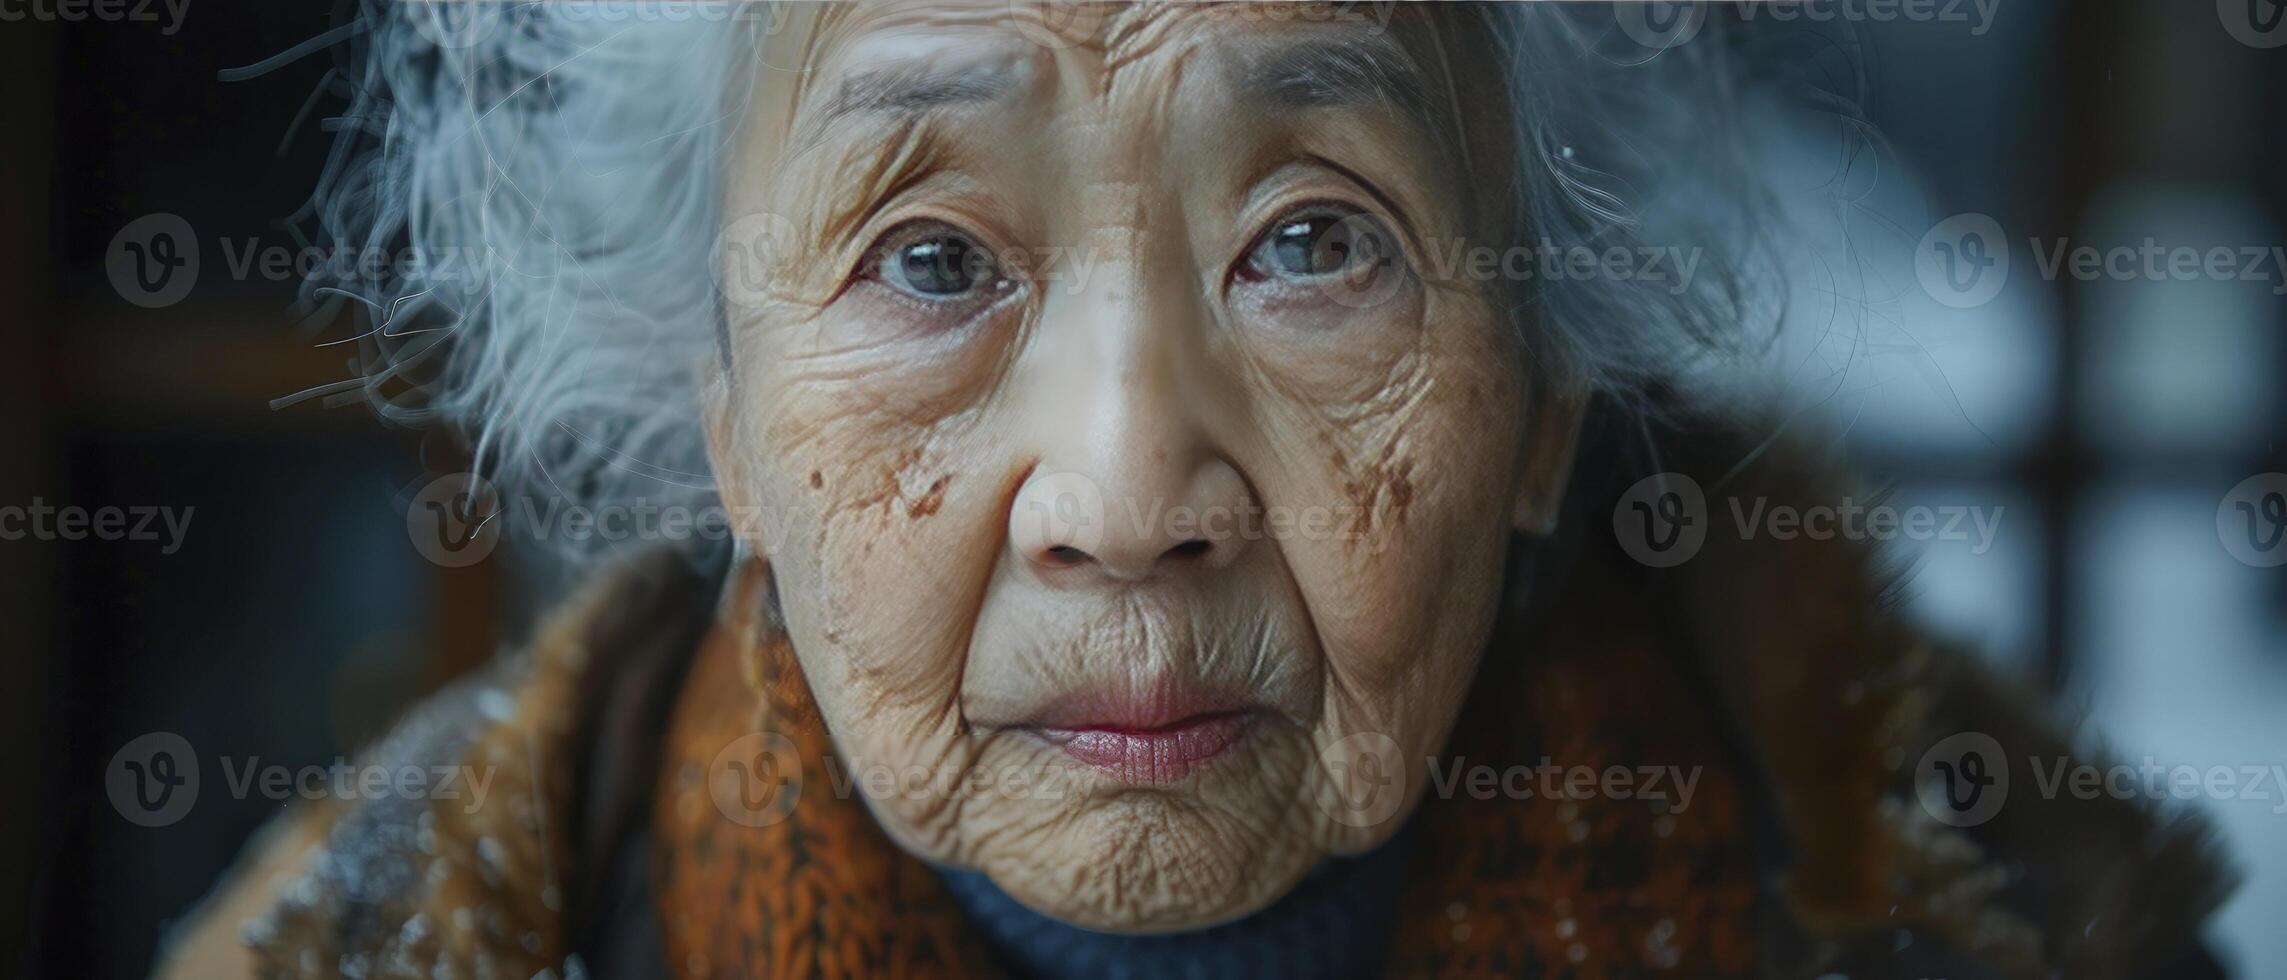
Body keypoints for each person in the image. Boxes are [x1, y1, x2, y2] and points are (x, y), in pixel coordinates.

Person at [163, 3, 2231, 977]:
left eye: (1314, 242)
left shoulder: (2018, 933)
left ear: (1533, 402)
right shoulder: (371, 951)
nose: (1131, 488)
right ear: (727, 422)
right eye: (934, 259)